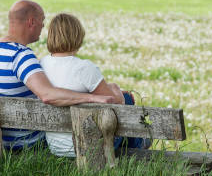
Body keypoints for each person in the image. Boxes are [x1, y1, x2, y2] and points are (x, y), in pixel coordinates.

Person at [0, 0, 116, 150]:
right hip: (23, 142)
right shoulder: (21, 56)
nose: (44, 27)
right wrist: (91, 98)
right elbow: (47, 95)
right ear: (31, 22)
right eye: (42, 21)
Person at [40, 12, 149, 157]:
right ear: (78, 36)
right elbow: (116, 101)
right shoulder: (84, 67)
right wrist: (115, 88)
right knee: (127, 98)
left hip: (55, 146)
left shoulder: (42, 64)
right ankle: (138, 146)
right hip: (89, 147)